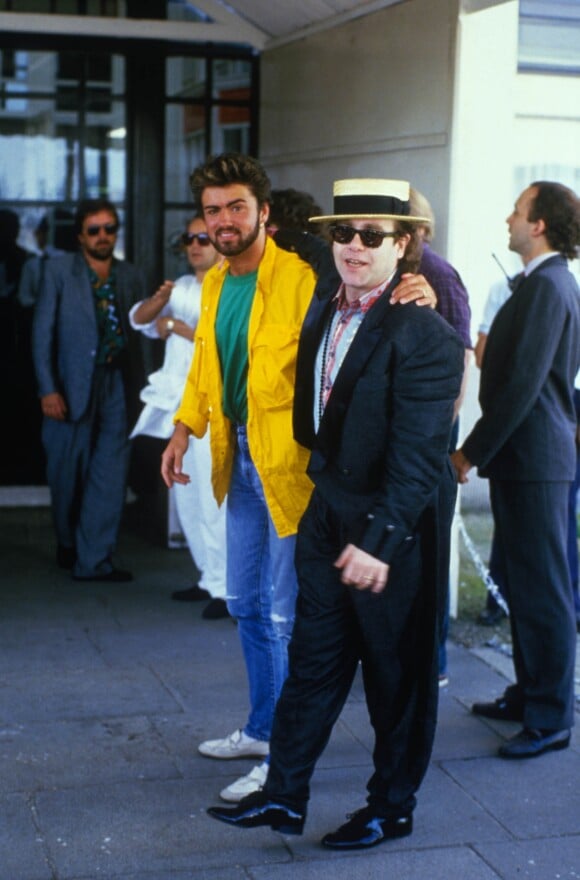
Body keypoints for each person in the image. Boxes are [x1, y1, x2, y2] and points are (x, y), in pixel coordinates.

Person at [206, 178, 464, 848]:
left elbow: (418, 458)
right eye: (344, 232)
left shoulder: (425, 333)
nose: (354, 245)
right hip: (327, 512)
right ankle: (284, 797)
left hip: (394, 529)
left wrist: (378, 540)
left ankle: (390, 808)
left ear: (403, 245)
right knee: (313, 661)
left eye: (372, 234)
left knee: (394, 677)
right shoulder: (324, 304)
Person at [160, 153, 319, 805]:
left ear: (263, 212)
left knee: (280, 614)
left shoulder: (303, 277)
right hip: (239, 461)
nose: (223, 222)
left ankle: (283, 755)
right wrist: (181, 430)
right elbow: (204, 368)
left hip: (289, 467)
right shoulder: (220, 282)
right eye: (212, 211)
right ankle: (260, 728)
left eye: (236, 208)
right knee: (244, 603)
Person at [452, 181, 580, 759]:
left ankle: (551, 716)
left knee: (545, 589)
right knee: (525, 585)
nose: (508, 217)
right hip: (525, 460)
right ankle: (529, 693)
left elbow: (525, 385)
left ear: (540, 225)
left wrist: (469, 452)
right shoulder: (542, 283)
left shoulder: (550, 286)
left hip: (536, 460)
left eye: (518, 210)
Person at [32, 197, 146, 580]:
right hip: (70, 384)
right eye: (94, 230)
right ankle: (68, 541)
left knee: (110, 473)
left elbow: (140, 337)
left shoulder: (131, 275)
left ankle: (94, 559)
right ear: (80, 235)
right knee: (67, 473)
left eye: (109, 229)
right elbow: (41, 334)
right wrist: (48, 389)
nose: (102, 237)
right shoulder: (59, 272)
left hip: (117, 382)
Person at [129, 216, 228, 619]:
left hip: (212, 405)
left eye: (203, 238)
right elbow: (140, 319)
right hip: (178, 405)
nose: (195, 245)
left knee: (213, 497)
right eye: (189, 238)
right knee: (185, 495)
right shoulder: (184, 287)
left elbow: (222, 341)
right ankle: (208, 576)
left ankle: (227, 587)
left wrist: (180, 328)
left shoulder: (230, 287)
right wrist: (163, 305)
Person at [409, 188, 472, 686]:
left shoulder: (439, 273)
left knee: (430, 551)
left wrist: (442, 429)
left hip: (431, 434)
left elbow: (460, 358)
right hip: (411, 433)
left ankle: (434, 665)